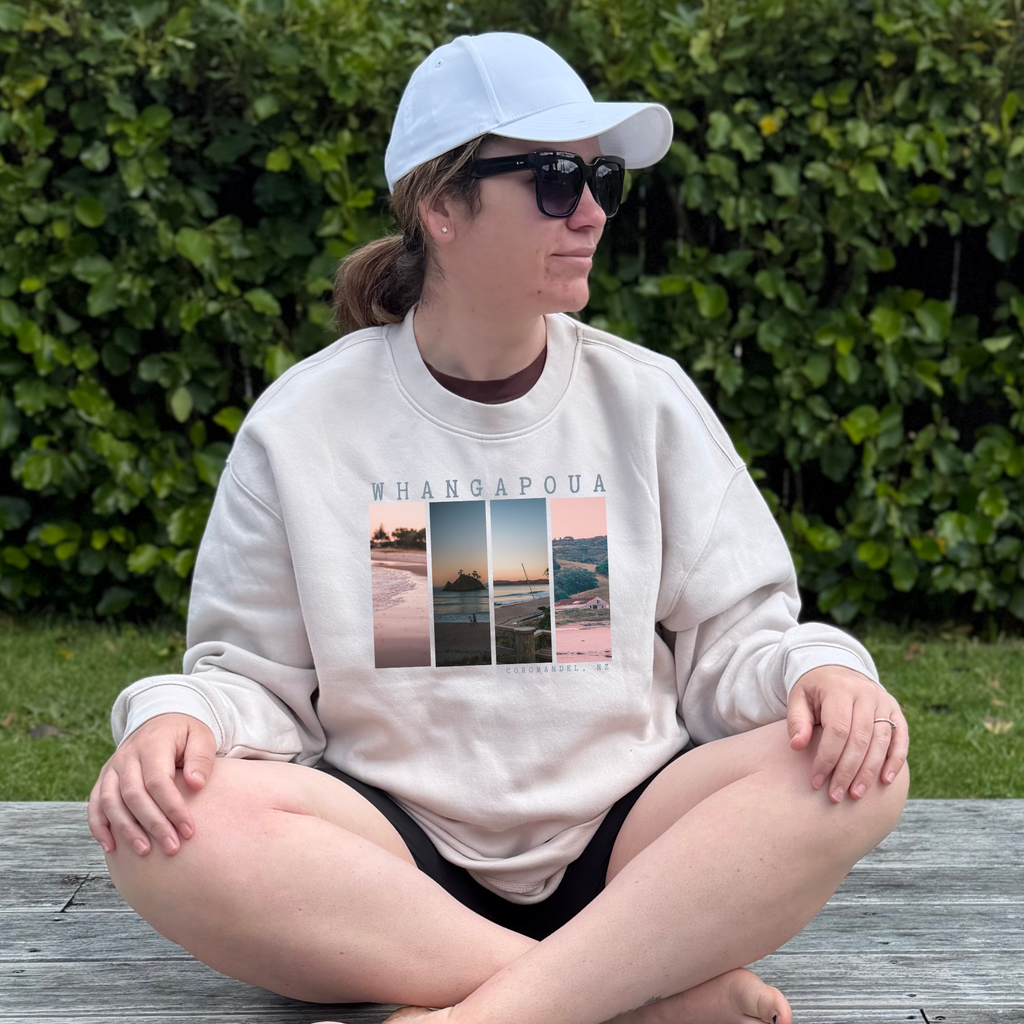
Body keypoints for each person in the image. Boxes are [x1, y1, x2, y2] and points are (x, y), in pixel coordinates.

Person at [89, 31, 910, 1024]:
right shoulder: (305, 424)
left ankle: (502, 1011)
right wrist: (179, 719)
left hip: (632, 847)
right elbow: (249, 684)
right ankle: (626, 999)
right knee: (160, 827)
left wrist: (820, 672)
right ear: (440, 206)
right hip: (391, 868)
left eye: (602, 176)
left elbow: (738, 647)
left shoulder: (644, 401)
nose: (595, 210)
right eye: (557, 177)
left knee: (855, 764)